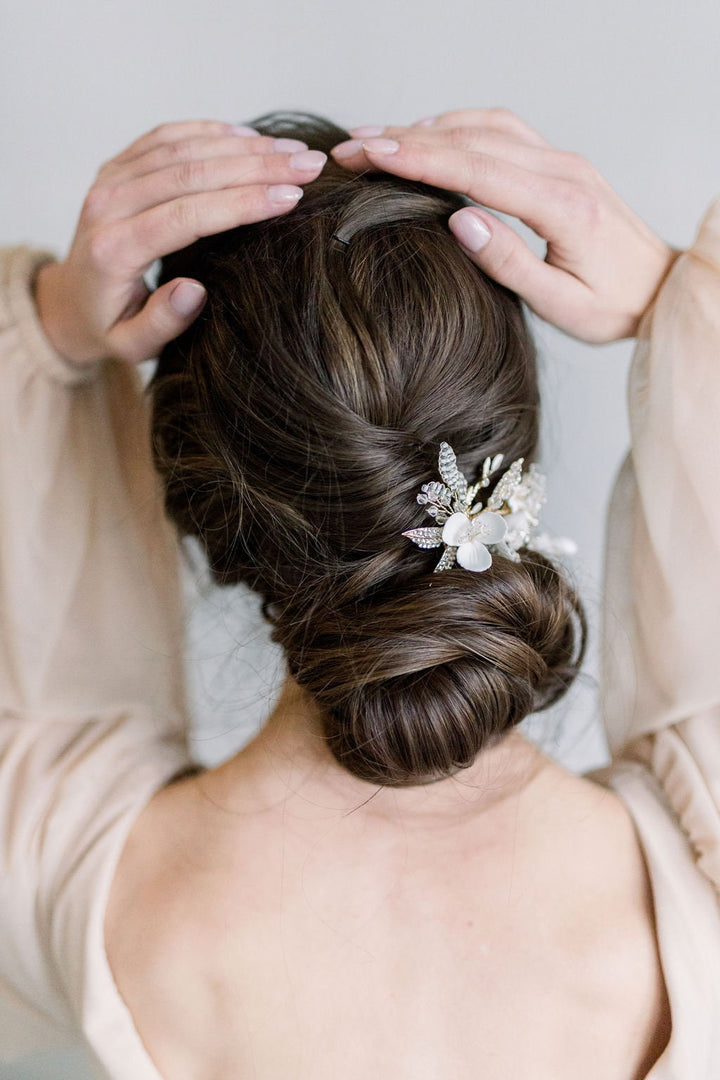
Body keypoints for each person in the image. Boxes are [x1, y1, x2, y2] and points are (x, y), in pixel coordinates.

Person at [0, 106, 718, 1080]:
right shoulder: (695, 865)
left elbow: (47, 671)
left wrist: (41, 337)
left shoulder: (70, 872)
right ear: (506, 456)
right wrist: (688, 311)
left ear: (201, 501)